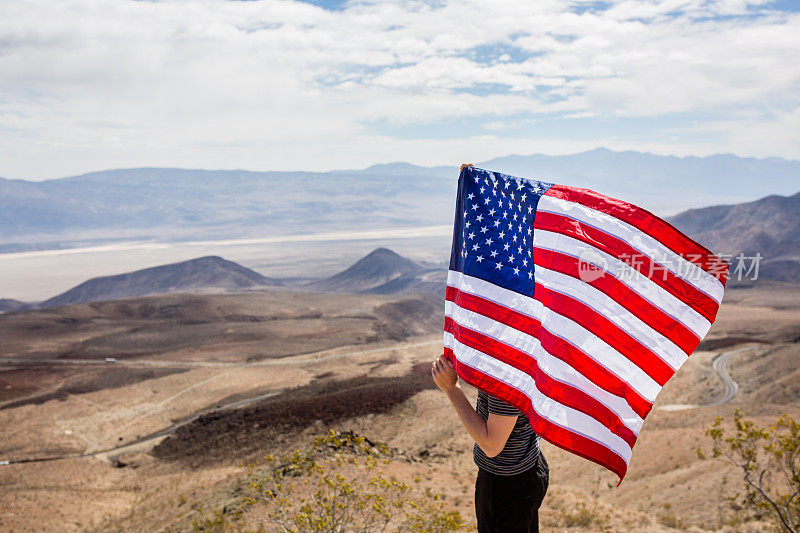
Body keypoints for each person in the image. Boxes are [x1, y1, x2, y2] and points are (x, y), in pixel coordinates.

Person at [431, 354, 548, 533]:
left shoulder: (505, 367)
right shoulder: (521, 347)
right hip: (528, 464)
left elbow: (492, 445)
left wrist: (452, 389)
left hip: (506, 486)